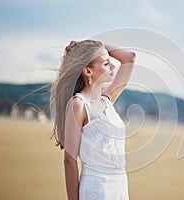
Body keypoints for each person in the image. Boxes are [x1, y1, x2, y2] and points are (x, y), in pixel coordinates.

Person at [50, 39, 136, 200]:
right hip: (96, 188)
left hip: (119, 186)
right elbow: (69, 161)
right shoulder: (79, 105)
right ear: (87, 71)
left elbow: (130, 57)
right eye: (105, 63)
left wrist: (90, 46)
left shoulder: (107, 100)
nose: (113, 66)